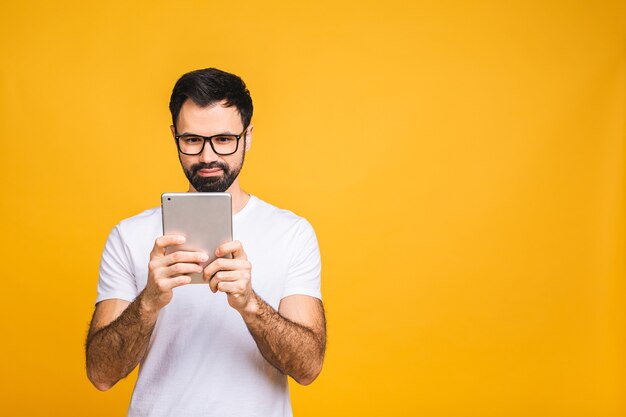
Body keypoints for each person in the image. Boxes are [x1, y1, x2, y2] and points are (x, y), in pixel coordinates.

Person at [85, 68, 326, 417]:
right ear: (175, 137)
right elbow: (101, 374)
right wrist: (149, 302)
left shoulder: (292, 233)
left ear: (248, 136)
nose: (208, 156)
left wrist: (250, 304)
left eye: (224, 139)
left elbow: (308, 368)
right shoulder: (129, 236)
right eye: (193, 140)